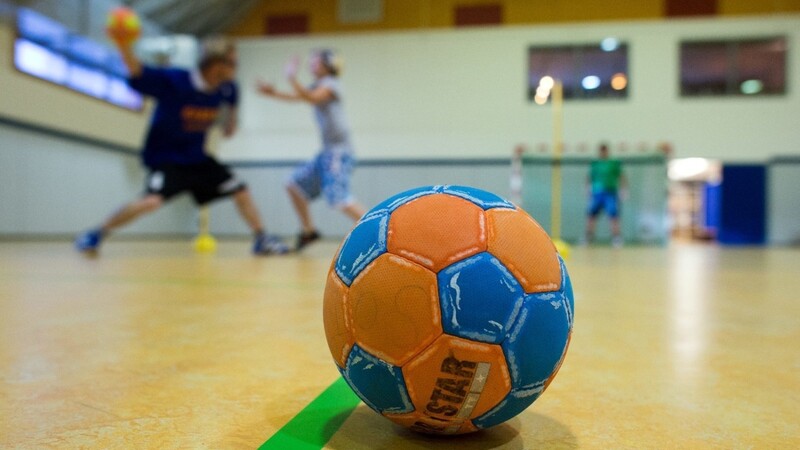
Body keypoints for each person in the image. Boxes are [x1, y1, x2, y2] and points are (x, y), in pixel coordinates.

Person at [75, 33, 288, 256]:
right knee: (151, 202)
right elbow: (138, 71)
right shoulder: (175, 81)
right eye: (232, 62)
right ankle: (96, 233)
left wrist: (230, 123)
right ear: (216, 64)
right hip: (167, 159)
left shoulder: (227, 88)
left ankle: (261, 238)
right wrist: (123, 44)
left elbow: (231, 116)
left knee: (241, 191)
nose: (236, 67)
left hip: (198, 159)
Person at [256, 49, 366, 251]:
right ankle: (308, 231)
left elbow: (311, 97)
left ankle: (375, 229)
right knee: (293, 184)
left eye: (316, 62)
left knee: (339, 198)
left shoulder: (332, 84)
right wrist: (272, 93)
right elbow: (298, 96)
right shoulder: (316, 86)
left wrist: (291, 77)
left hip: (338, 152)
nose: (311, 66)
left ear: (329, 65)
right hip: (326, 153)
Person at [584, 143, 627, 247]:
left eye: (604, 150)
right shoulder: (595, 164)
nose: (603, 153)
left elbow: (621, 176)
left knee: (613, 216)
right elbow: (589, 177)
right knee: (591, 215)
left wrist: (623, 189)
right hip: (597, 193)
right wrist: (587, 188)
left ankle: (616, 238)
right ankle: (588, 237)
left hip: (610, 192)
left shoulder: (614, 163)